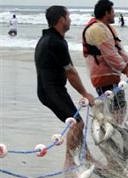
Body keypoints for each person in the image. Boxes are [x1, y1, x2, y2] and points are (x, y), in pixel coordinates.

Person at [35, 6, 95, 168]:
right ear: (61, 20)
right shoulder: (56, 42)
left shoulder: (46, 38)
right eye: (68, 17)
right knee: (76, 123)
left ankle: (87, 157)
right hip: (51, 91)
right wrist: (85, 93)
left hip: (50, 90)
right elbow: (71, 72)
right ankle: (68, 161)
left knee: (77, 122)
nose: (70, 20)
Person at [83, 0, 128, 124]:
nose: (115, 14)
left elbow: (120, 50)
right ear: (106, 13)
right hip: (103, 77)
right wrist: (126, 70)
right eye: (113, 11)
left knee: (119, 107)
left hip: (112, 76)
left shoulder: (107, 28)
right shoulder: (96, 30)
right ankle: (113, 135)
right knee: (115, 109)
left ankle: (115, 133)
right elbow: (110, 55)